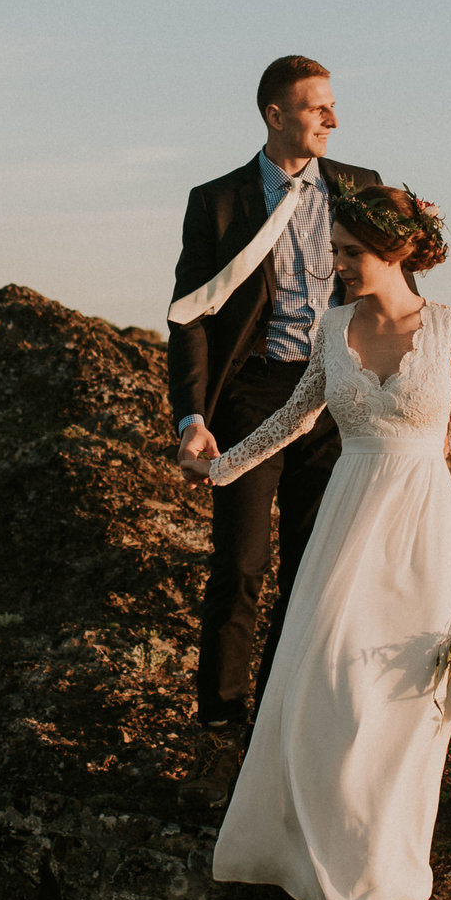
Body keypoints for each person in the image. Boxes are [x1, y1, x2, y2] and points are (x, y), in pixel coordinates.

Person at [180, 183, 451, 900]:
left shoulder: (448, 329)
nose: (337, 264)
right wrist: (221, 468)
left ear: (398, 249)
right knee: (327, 692)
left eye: (351, 252)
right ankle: (309, 857)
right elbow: (296, 415)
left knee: (408, 713)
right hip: (346, 530)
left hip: (423, 538)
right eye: (335, 250)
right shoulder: (332, 328)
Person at [166, 56, 382, 806]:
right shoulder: (218, 202)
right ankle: (220, 728)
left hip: (338, 394)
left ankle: (281, 724)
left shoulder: (359, 184)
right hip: (255, 393)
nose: (331, 119)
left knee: (312, 568)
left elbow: (393, 284)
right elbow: (189, 314)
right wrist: (192, 415)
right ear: (274, 115)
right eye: (317, 108)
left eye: (332, 106)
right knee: (242, 561)